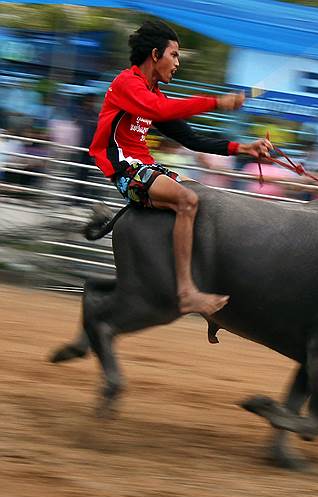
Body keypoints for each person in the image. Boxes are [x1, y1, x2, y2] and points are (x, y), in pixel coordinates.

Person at [88, 20, 272, 316]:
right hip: (125, 170)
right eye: (174, 55)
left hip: (144, 166)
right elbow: (159, 110)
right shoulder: (128, 84)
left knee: (201, 194)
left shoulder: (152, 93)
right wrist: (215, 102)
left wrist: (243, 148)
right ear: (155, 54)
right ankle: (186, 291)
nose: (177, 63)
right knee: (188, 200)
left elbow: (190, 138)